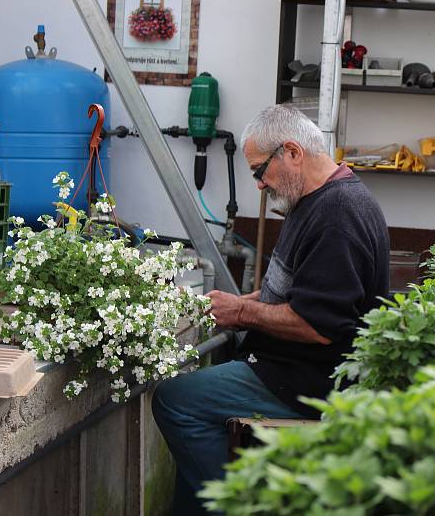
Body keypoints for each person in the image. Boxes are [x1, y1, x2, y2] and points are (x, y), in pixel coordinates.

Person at [152, 104, 389, 514]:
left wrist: (241, 314)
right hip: (286, 367)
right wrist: (237, 303)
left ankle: (235, 506)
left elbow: (318, 325)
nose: (259, 186)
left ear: (292, 153)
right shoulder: (317, 199)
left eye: (260, 171)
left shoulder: (337, 215)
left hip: (309, 383)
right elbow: (291, 292)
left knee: (175, 399)